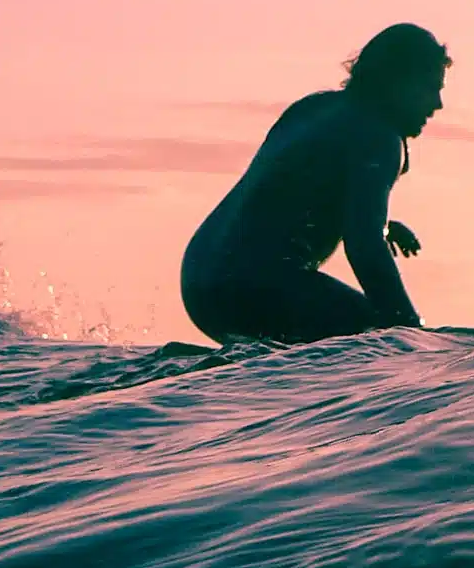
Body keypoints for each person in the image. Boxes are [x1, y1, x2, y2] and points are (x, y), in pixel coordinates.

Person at [180, 23, 448, 345]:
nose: (437, 104)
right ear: (396, 82)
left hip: (199, 279)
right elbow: (364, 248)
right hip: (252, 283)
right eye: (429, 88)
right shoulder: (378, 137)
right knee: (374, 337)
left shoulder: (313, 108)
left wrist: (383, 226)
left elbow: (287, 194)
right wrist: (410, 336)